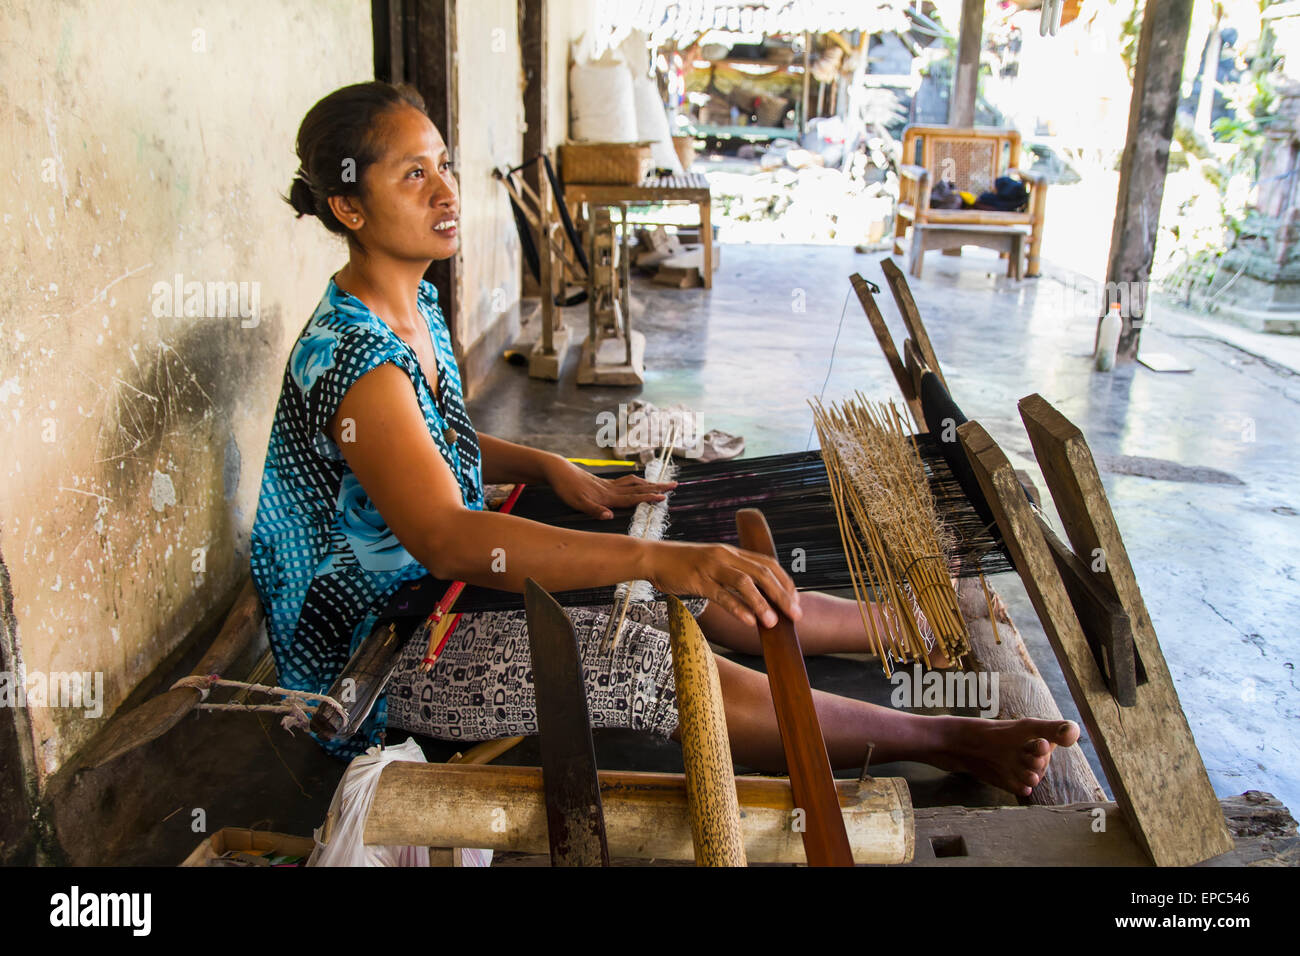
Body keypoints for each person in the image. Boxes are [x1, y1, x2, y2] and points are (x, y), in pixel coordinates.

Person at [251, 81, 1078, 797]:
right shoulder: (352, 354)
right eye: (413, 174)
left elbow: (439, 441)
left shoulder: (416, 304)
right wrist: (654, 562)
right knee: (649, 653)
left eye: (443, 165)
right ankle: (947, 742)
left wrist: (553, 466)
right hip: (375, 652)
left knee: (685, 564)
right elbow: (446, 537)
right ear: (349, 206)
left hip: (440, 589)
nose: (446, 192)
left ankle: (908, 629)